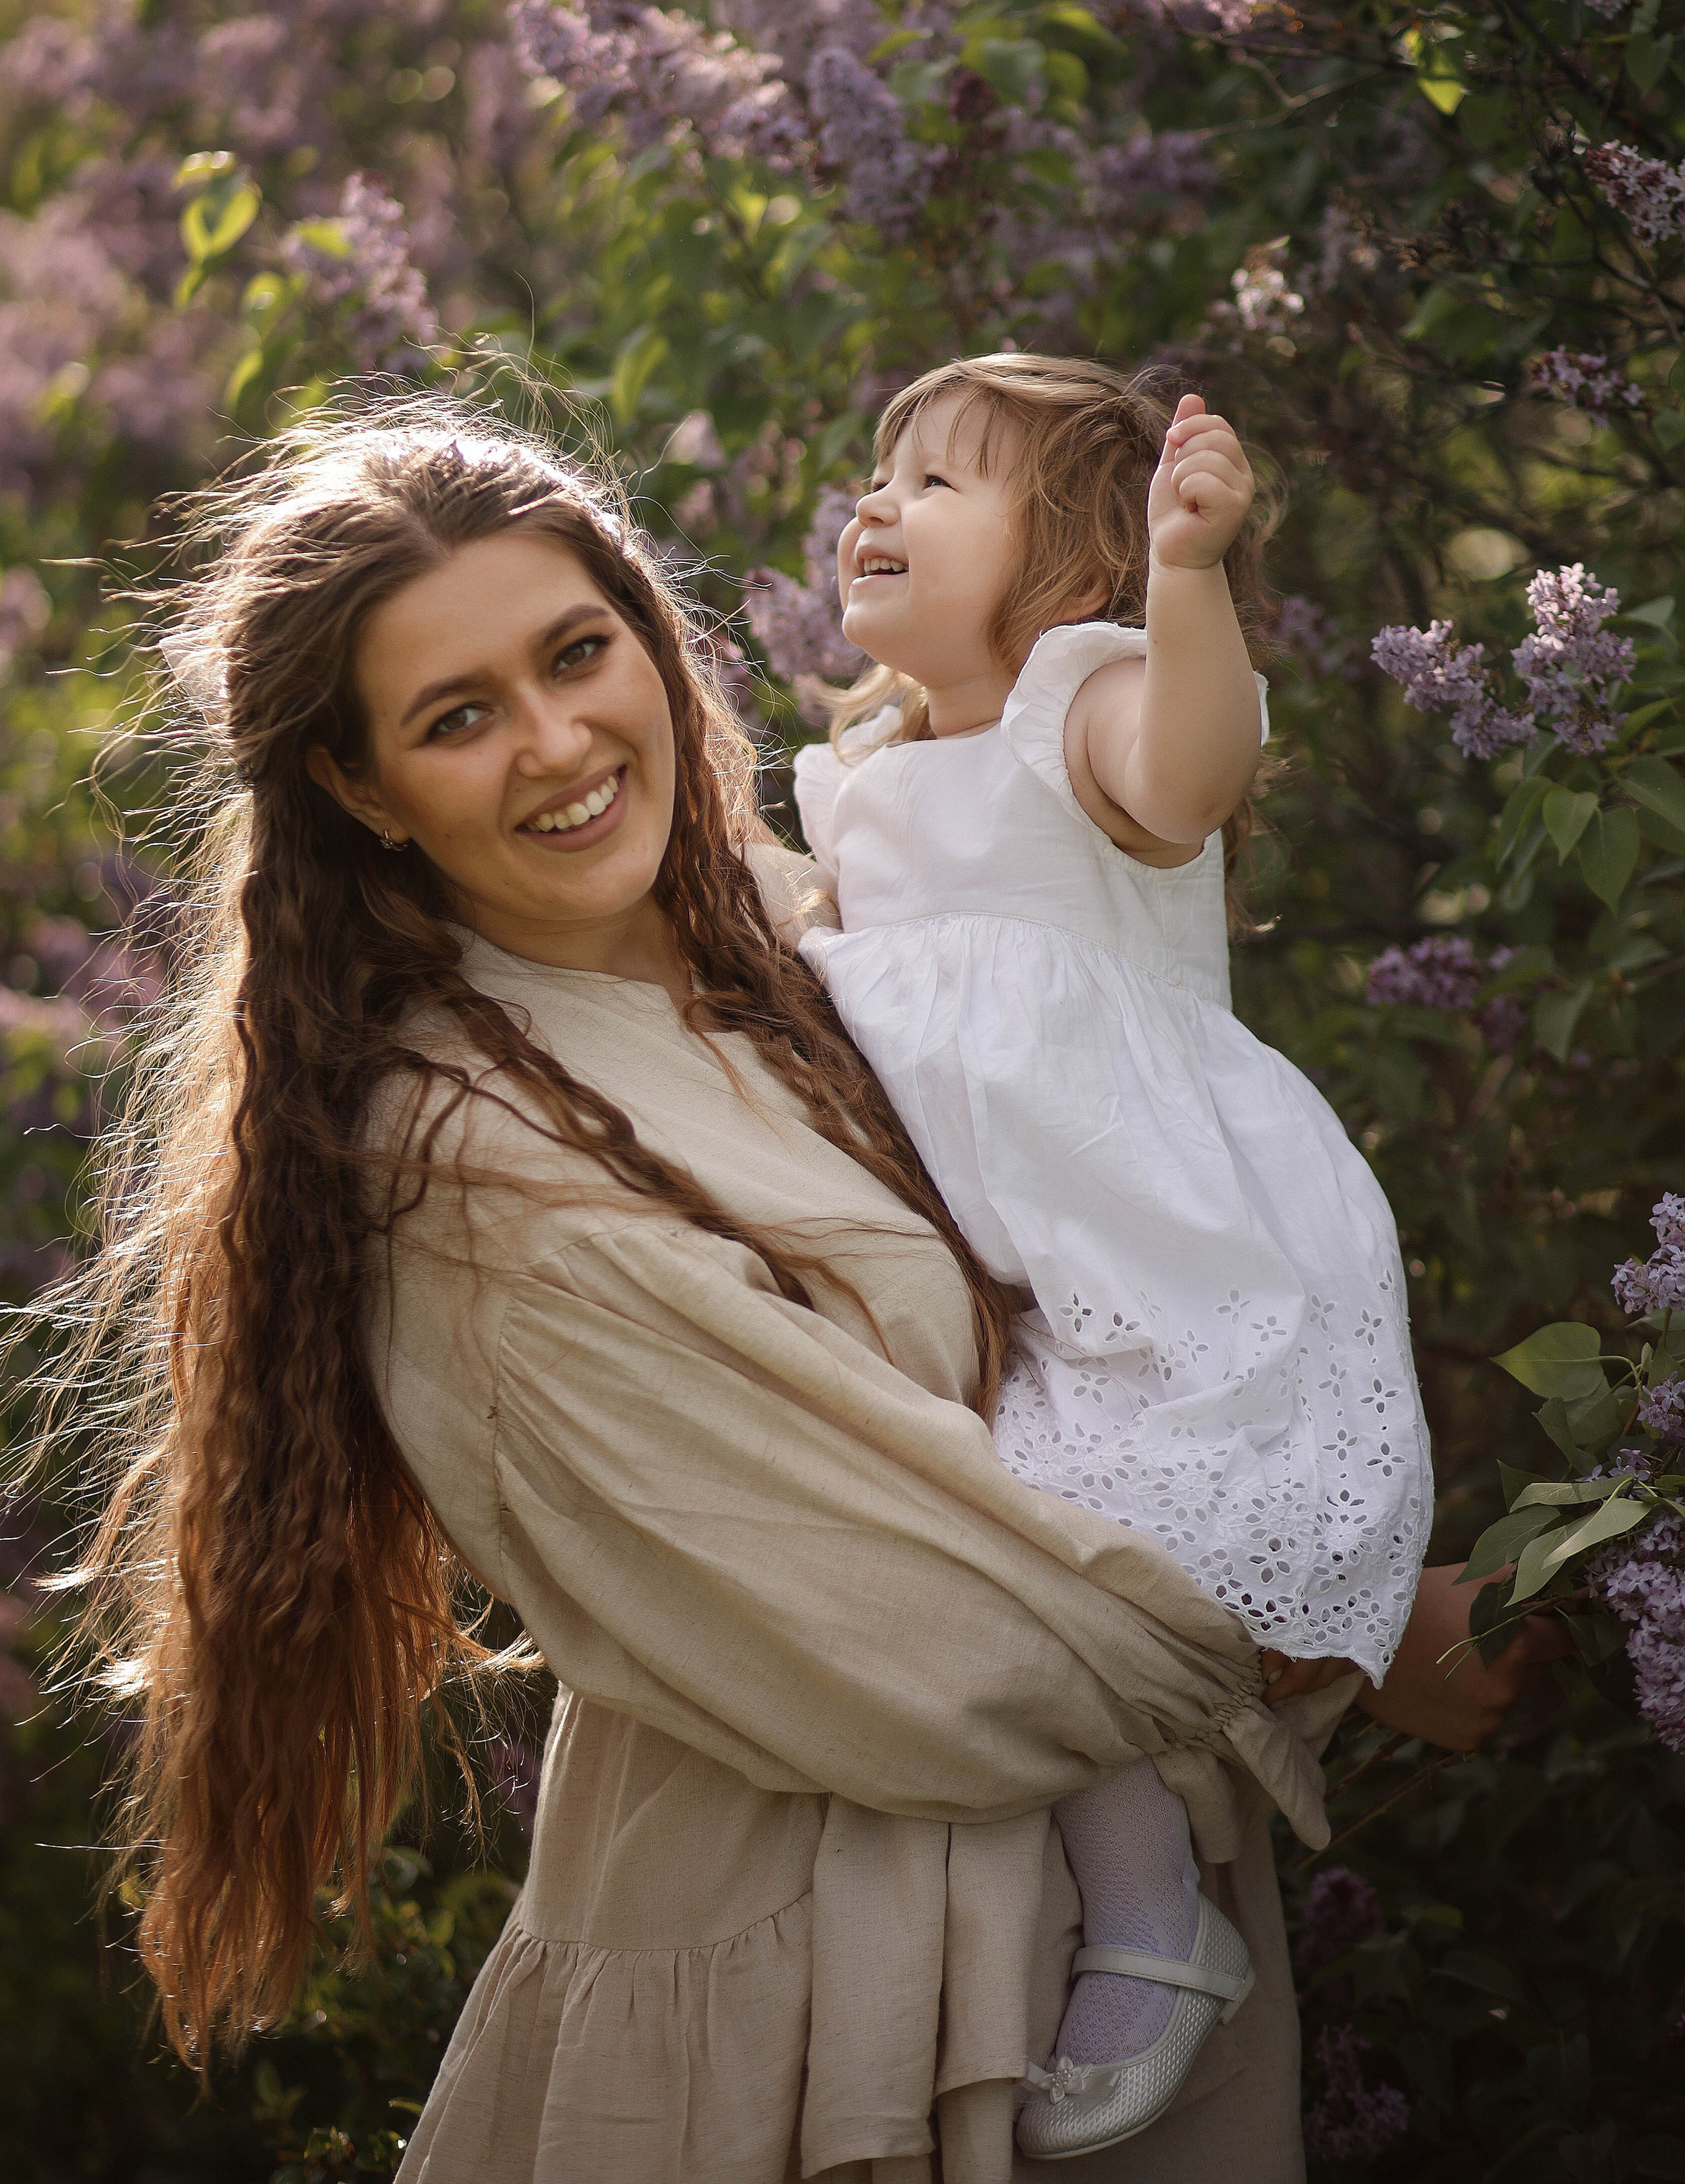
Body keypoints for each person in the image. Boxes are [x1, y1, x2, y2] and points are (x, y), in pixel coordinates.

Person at [41, 396, 1555, 2184]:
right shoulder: (463, 1169)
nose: (555, 742)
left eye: (576, 653)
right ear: (361, 791)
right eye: (457, 719)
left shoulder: (798, 930)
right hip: (816, 2013)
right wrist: (1332, 1627)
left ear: (648, 641)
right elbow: (920, 1639)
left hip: (1070, 1943)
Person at [792, 354, 1433, 2155]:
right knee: (1003, 1537)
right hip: (985, 1282)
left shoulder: (1084, 711)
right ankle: (1153, 1907)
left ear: (1064, 558)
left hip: (1147, 1249)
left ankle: (1153, 1925)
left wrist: (1188, 574)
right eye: (876, 473)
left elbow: (1196, 769)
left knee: (1081, 1549)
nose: (876, 505)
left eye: (936, 483)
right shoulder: (856, 781)